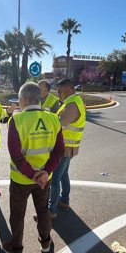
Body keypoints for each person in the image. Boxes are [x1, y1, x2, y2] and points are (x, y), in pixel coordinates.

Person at [2, 82, 64, 253]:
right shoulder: (53, 119)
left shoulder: (17, 120)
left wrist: (32, 174)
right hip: (44, 180)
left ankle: (17, 249)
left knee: (18, 214)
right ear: (39, 98)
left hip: (21, 180)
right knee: (43, 211)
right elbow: (59, 151)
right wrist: (44, 173)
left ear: (23, 99)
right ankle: (45, 243)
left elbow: (16, 155)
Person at [48, 78, 86, 219]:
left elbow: (59, 125)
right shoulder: (72, 102)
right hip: (68, 147)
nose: (58, 94)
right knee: (63, 174)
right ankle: (64, 201)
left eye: (60, 91)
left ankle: (51, 210)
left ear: (68, 89)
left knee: (55, 178)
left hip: (65, 148)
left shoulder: (71, 105)